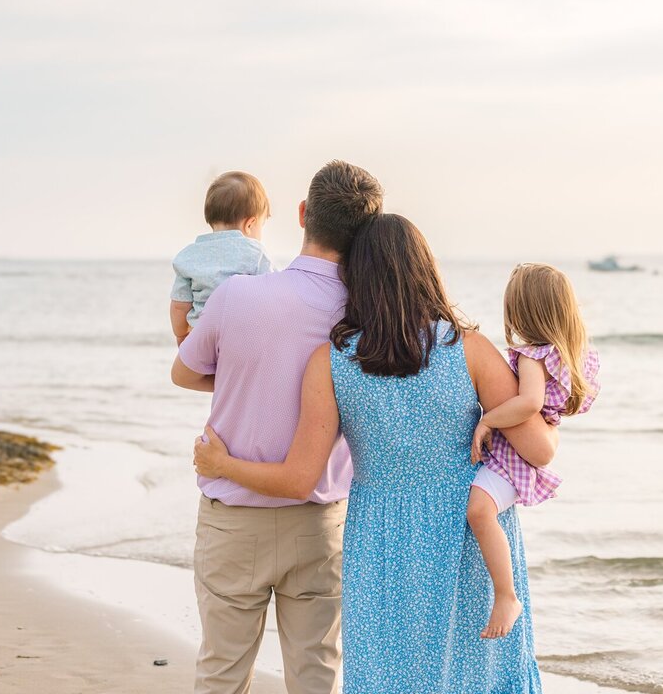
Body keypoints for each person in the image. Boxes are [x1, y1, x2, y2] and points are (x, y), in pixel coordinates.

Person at [194, 214, 555, 694]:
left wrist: (222, 465)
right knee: (478, 675)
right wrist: (551, 392)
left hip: (380, 540)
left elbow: (299, 479)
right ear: (426, 269)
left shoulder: (332, 361)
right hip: (465, 531)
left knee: (388, 677)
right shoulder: (471, 350)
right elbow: (539, 452)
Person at [171, 161, 383, 694]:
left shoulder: (237, 294)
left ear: (303, 214)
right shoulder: (364, 312)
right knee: (316, 674)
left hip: (234, 517)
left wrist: (244, 376)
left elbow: (184, 370)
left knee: (222, 671)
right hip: (320, 521)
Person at [467, 263, 601, 638]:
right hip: (531, 446)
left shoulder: (532, 356)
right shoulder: (572, 353)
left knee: (479, 511)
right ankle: (505, 593)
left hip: (513, 455)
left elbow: (528, 403)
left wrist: (488, 420)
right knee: (480, 511)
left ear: (522, 312)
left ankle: (507, 595)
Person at [169, 171, 274, 346]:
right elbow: (274, 294)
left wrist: (181, 336)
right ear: (250, 224)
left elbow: (179, 304)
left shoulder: (189, 256)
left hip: (200, 338)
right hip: (239, 340)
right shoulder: (255, 252)